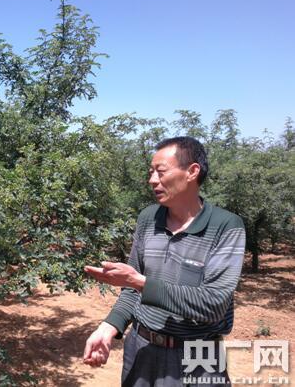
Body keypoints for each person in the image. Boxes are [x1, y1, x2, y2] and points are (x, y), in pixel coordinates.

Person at [83, 136, 246, 387]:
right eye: (151, 172)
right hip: (142, 347)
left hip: (198, 356)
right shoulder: (148, 218)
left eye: (161, 172)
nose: (152, 180)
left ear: (192, 172)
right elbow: (131, 290)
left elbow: (213, 305)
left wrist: (140, 283)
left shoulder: (225, 226)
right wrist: (109, 327)